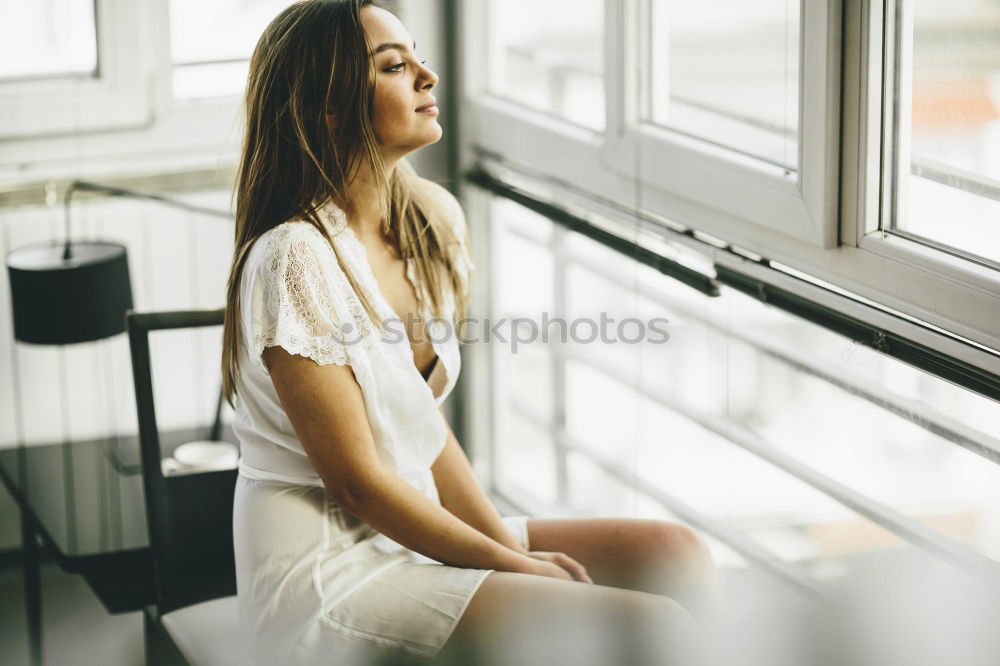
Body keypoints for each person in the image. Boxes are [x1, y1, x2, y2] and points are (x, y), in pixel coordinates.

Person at [220, 1, 721, 664]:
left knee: (674, 552)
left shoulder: (429, 220)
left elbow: (423, 431)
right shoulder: (293, 258)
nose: (427, 76)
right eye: (395, 66)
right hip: (330, 569)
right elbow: (359, 484)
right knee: (651, 625)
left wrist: (509, 552)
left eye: (417, 57)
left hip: (413, 519)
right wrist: (507, 563)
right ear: (329, 108)